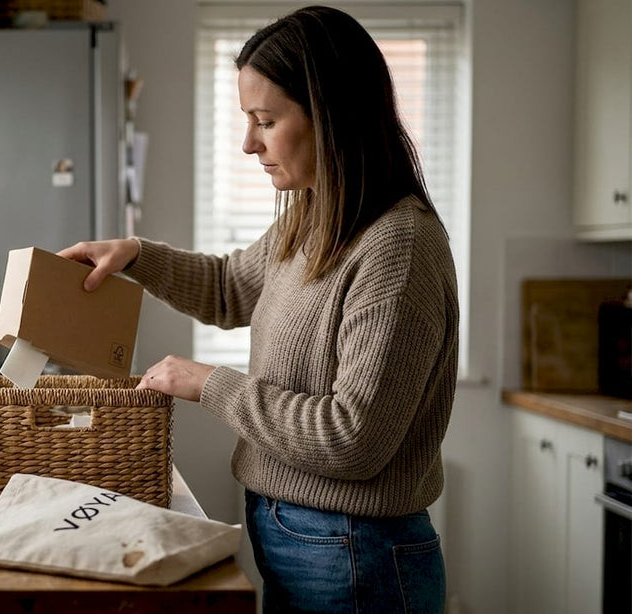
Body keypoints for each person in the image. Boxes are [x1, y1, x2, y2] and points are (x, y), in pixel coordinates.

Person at [58, 5, 458, 613]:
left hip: (356, 553)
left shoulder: (397, 246)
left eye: (266, 121)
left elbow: (352, 439)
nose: (249, 144)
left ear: (330, 117)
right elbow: (227, 288)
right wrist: (135, 254)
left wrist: (209, 384)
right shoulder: (313, 217)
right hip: (299, 536)